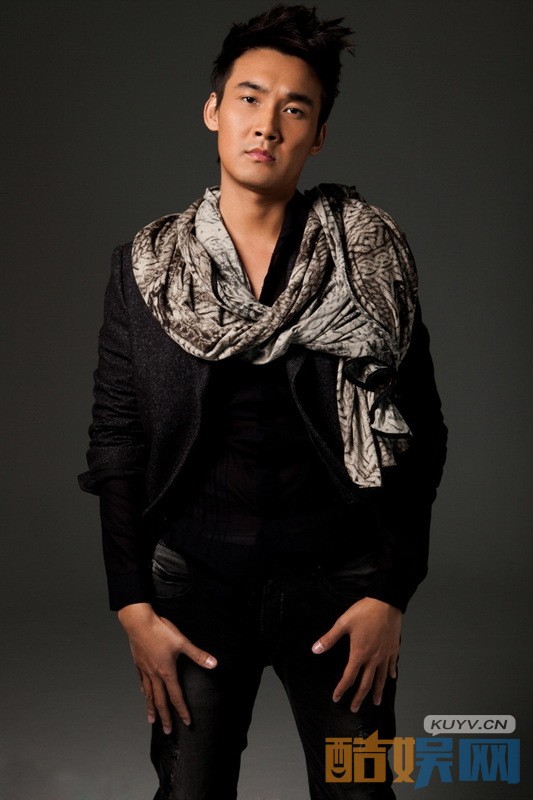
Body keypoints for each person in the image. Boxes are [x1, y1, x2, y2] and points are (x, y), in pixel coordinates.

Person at [79, 5, 447, 798]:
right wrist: (132, 605)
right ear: (213, 110)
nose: (267, 125)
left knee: (363, 790)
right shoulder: (145, 268)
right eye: (249, 98)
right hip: (195, 585)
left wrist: (389, 592)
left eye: (294, 109)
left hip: (340, 583)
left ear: (317, 137)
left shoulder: (367, 255)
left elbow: (420, 428)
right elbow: (116, 440)